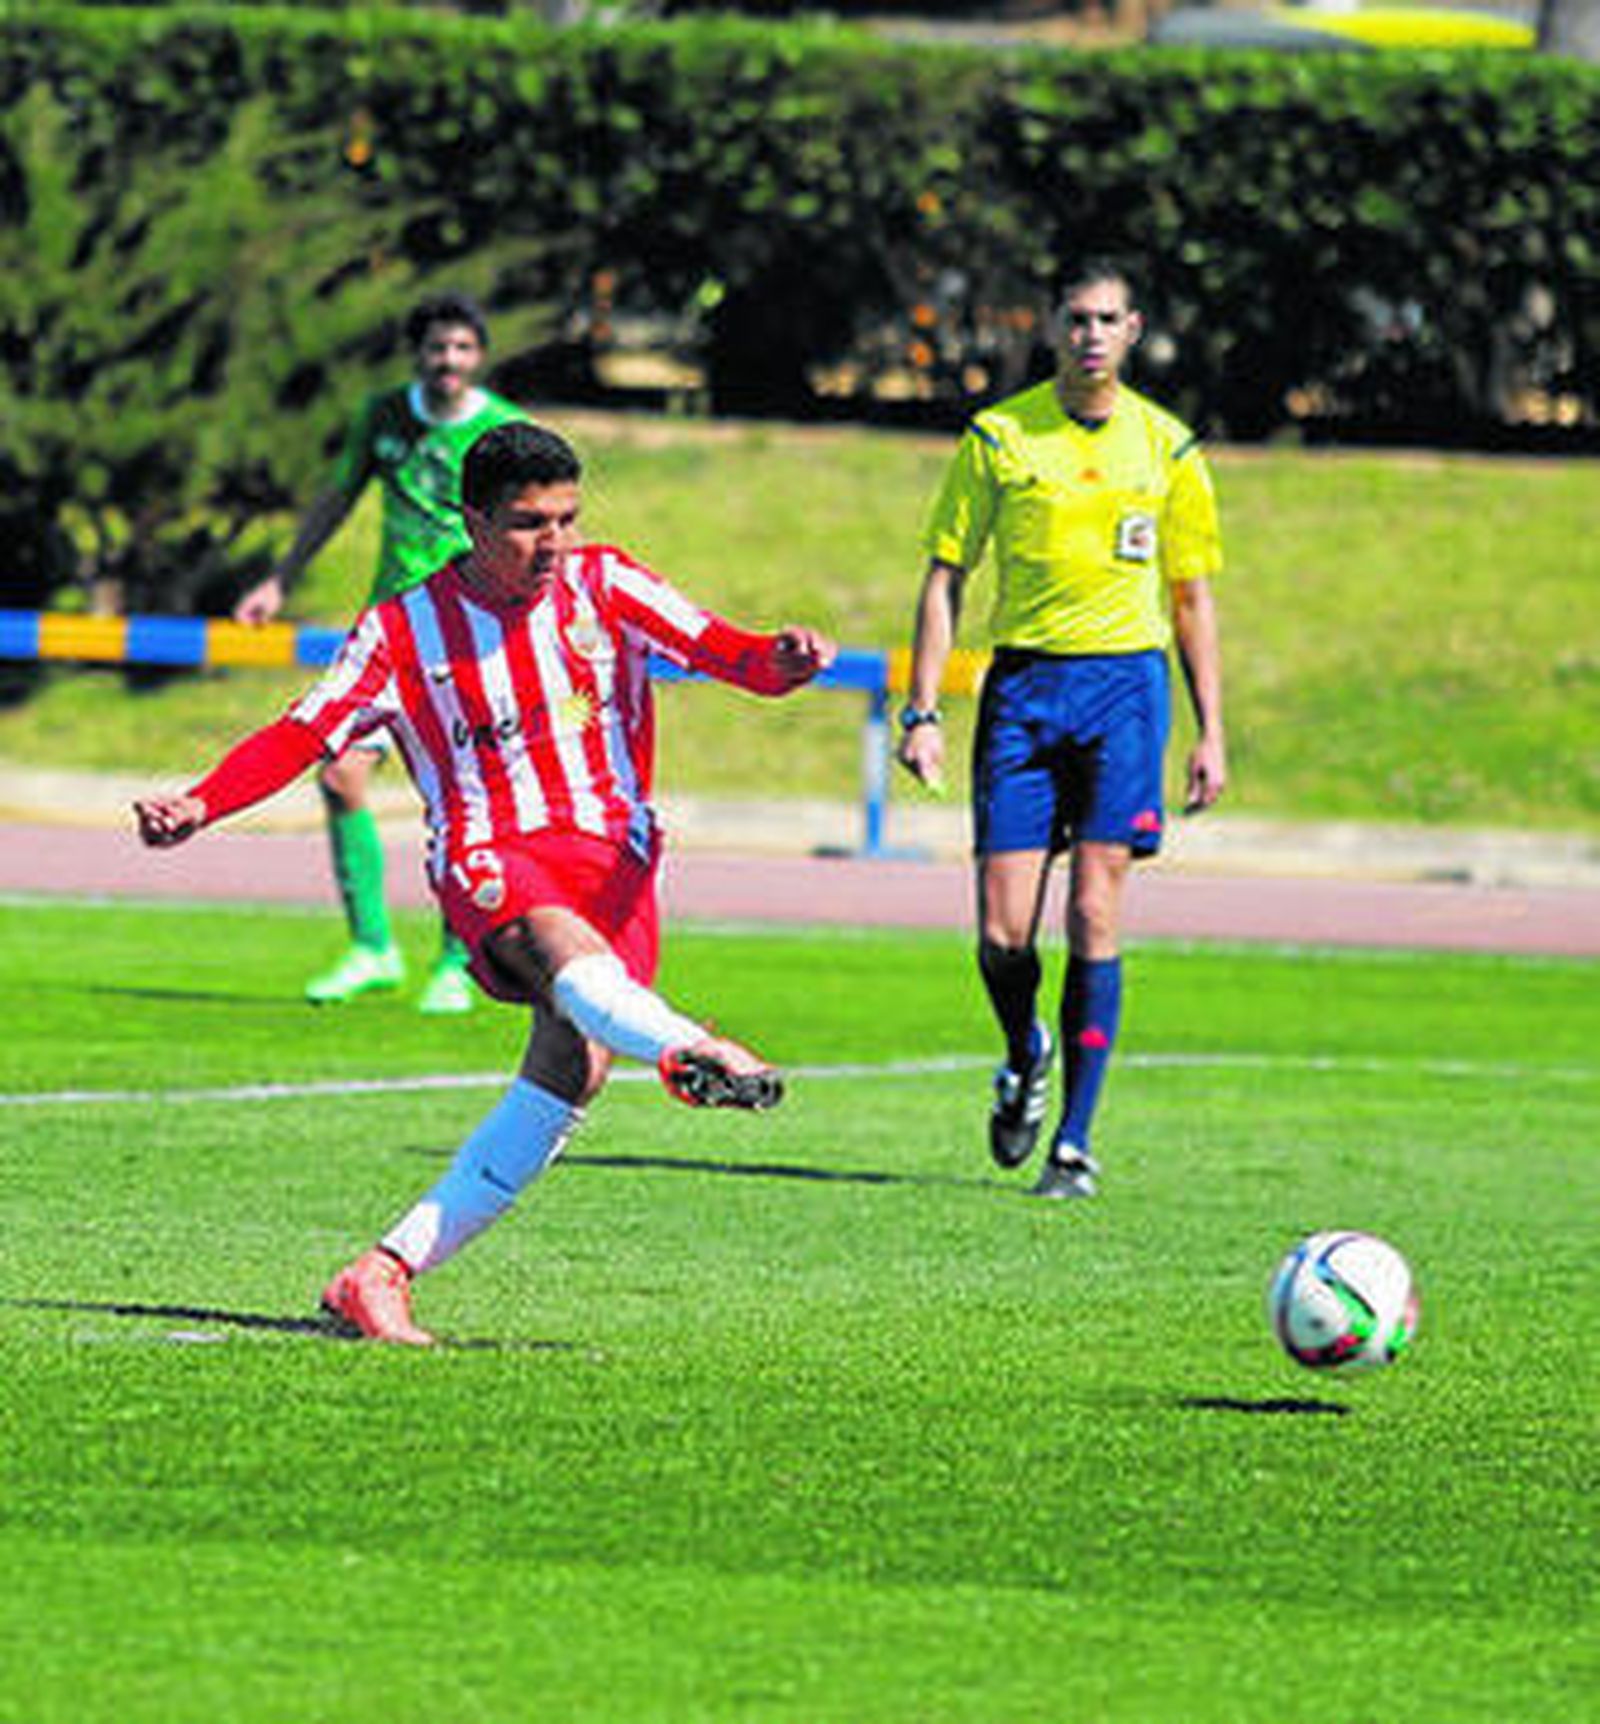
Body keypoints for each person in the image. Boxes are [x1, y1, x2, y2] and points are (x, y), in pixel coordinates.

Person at [137, 421, 837, 1344]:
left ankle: (379, 1274)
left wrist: (783, 661)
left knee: (572, 1068)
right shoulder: (402, 629)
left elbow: (726, 652)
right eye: (527, 524)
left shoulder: (608, 584)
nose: (553, 543)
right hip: (491, 853)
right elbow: (305, 731)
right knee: (558, 950)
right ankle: (688, 1049)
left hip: (617, 869)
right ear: (471, 520)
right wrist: (203, 801)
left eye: (566, 519)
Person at [896, 257, 1226, 1200]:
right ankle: (1024, 1050)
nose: (1091, 335)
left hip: (1126, 691)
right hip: (1024, 691)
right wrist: (924, 711)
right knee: (1004, 934)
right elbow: (946, 578)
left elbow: (1192, 598)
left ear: (1134, 330)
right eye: (1077, 318)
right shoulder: (999, 436)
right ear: (1052, 327)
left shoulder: (1169, 449)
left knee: (1093, 911)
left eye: (1107, 319)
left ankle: (1073, 1145)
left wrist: (1212, 731)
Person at [235, 291, 529, 1014]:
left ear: (479, 356)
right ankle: (373, 948)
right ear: (417, 354)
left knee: (468, 798)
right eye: (437, 347)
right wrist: (280, 578)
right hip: (392, 631)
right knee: (340, 776)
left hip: (470, 633)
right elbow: (336, 499)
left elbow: (534, 528)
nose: (449, 360)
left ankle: (458, 961)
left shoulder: (501, 431)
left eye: (462, 347)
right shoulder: (384, 417)